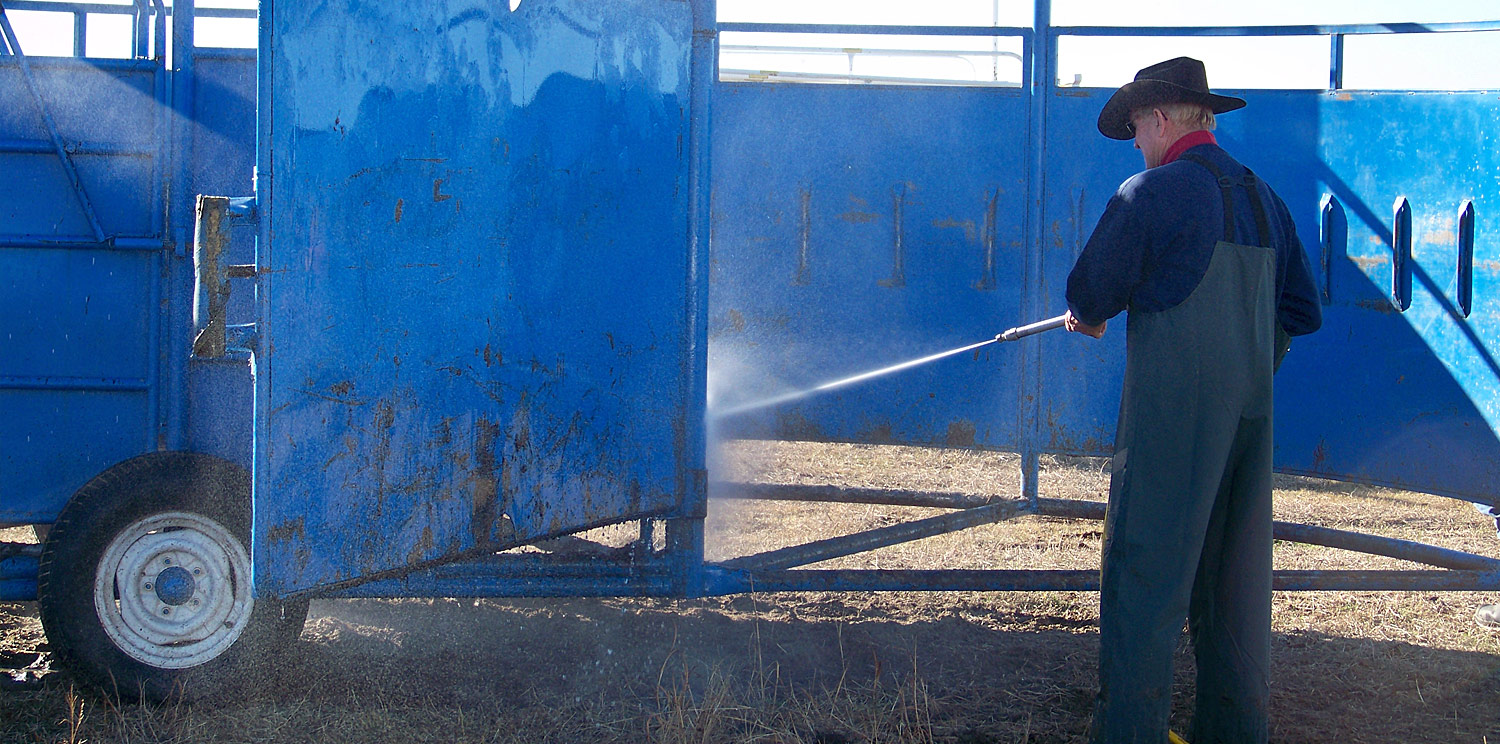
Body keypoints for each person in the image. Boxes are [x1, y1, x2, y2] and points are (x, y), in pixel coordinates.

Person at [1063, 57, 1322, 743]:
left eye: (1137, 130)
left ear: (1160, 117)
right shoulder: (1267, 199)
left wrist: (1086, 316)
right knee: (1235, 592)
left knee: (1143, 581)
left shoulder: (1151, 191)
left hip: (1175, 422)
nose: (1137, 144)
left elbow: (1089, 296)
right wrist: (1247, 361)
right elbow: (1302, 309)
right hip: (1249, 422)